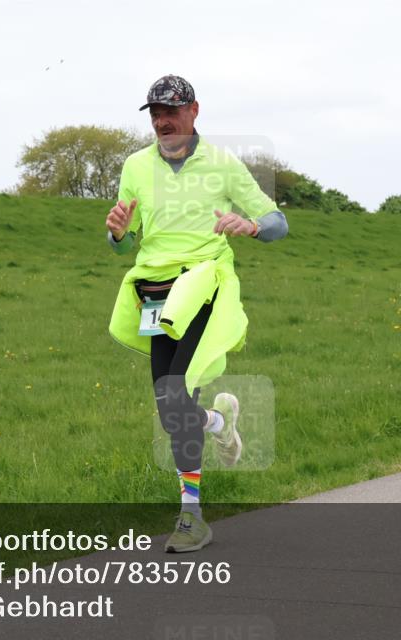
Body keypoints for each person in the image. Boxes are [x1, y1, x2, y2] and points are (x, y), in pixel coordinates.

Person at [105, 74, 288, 553]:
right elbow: (125, 236)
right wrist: (118, 233)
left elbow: (277, 224)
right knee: (170, 412)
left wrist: (248, 225)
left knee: (176, 389)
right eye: (155, 114)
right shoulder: (135, 166)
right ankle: (217, 423)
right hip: (156, 290)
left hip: (202, 282)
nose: (162, 121)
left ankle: (191, 517)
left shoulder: (223, 166)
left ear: (194, 111)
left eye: (170, 111)